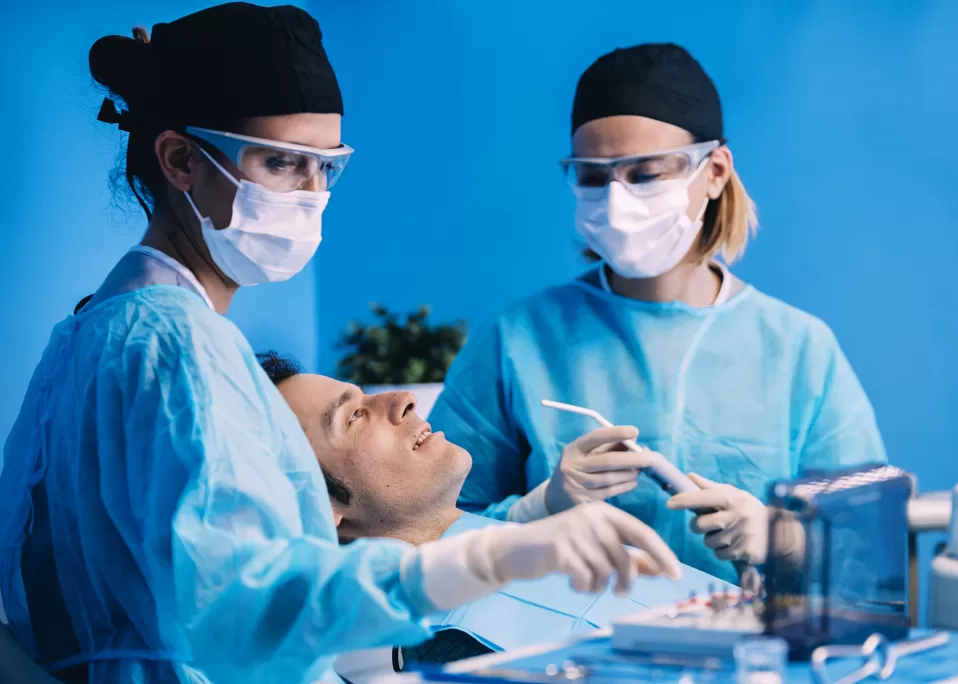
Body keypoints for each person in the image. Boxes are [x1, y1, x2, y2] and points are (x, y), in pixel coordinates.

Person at [0, 8, 678, 683]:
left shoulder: (89, 332)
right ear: (180, 158)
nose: (311, 195)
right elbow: (248, 607)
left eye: (327, 167)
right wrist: (489, 559)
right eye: (282, 163)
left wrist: (526, 515)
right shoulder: (175, 345)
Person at [428, 42, 888, 585]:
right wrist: (538, 509)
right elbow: (431, 531)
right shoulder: (518, 340)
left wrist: (779, 536)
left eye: (645, 174)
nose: (617, 203)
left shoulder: (798, 349)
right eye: (594, 178)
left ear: (714, 172)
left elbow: (872, 547)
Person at [255, 352, 734, 677]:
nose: (401, 399)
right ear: (321, 508)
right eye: (354, 417)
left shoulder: (506, 538)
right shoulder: (432, 654)